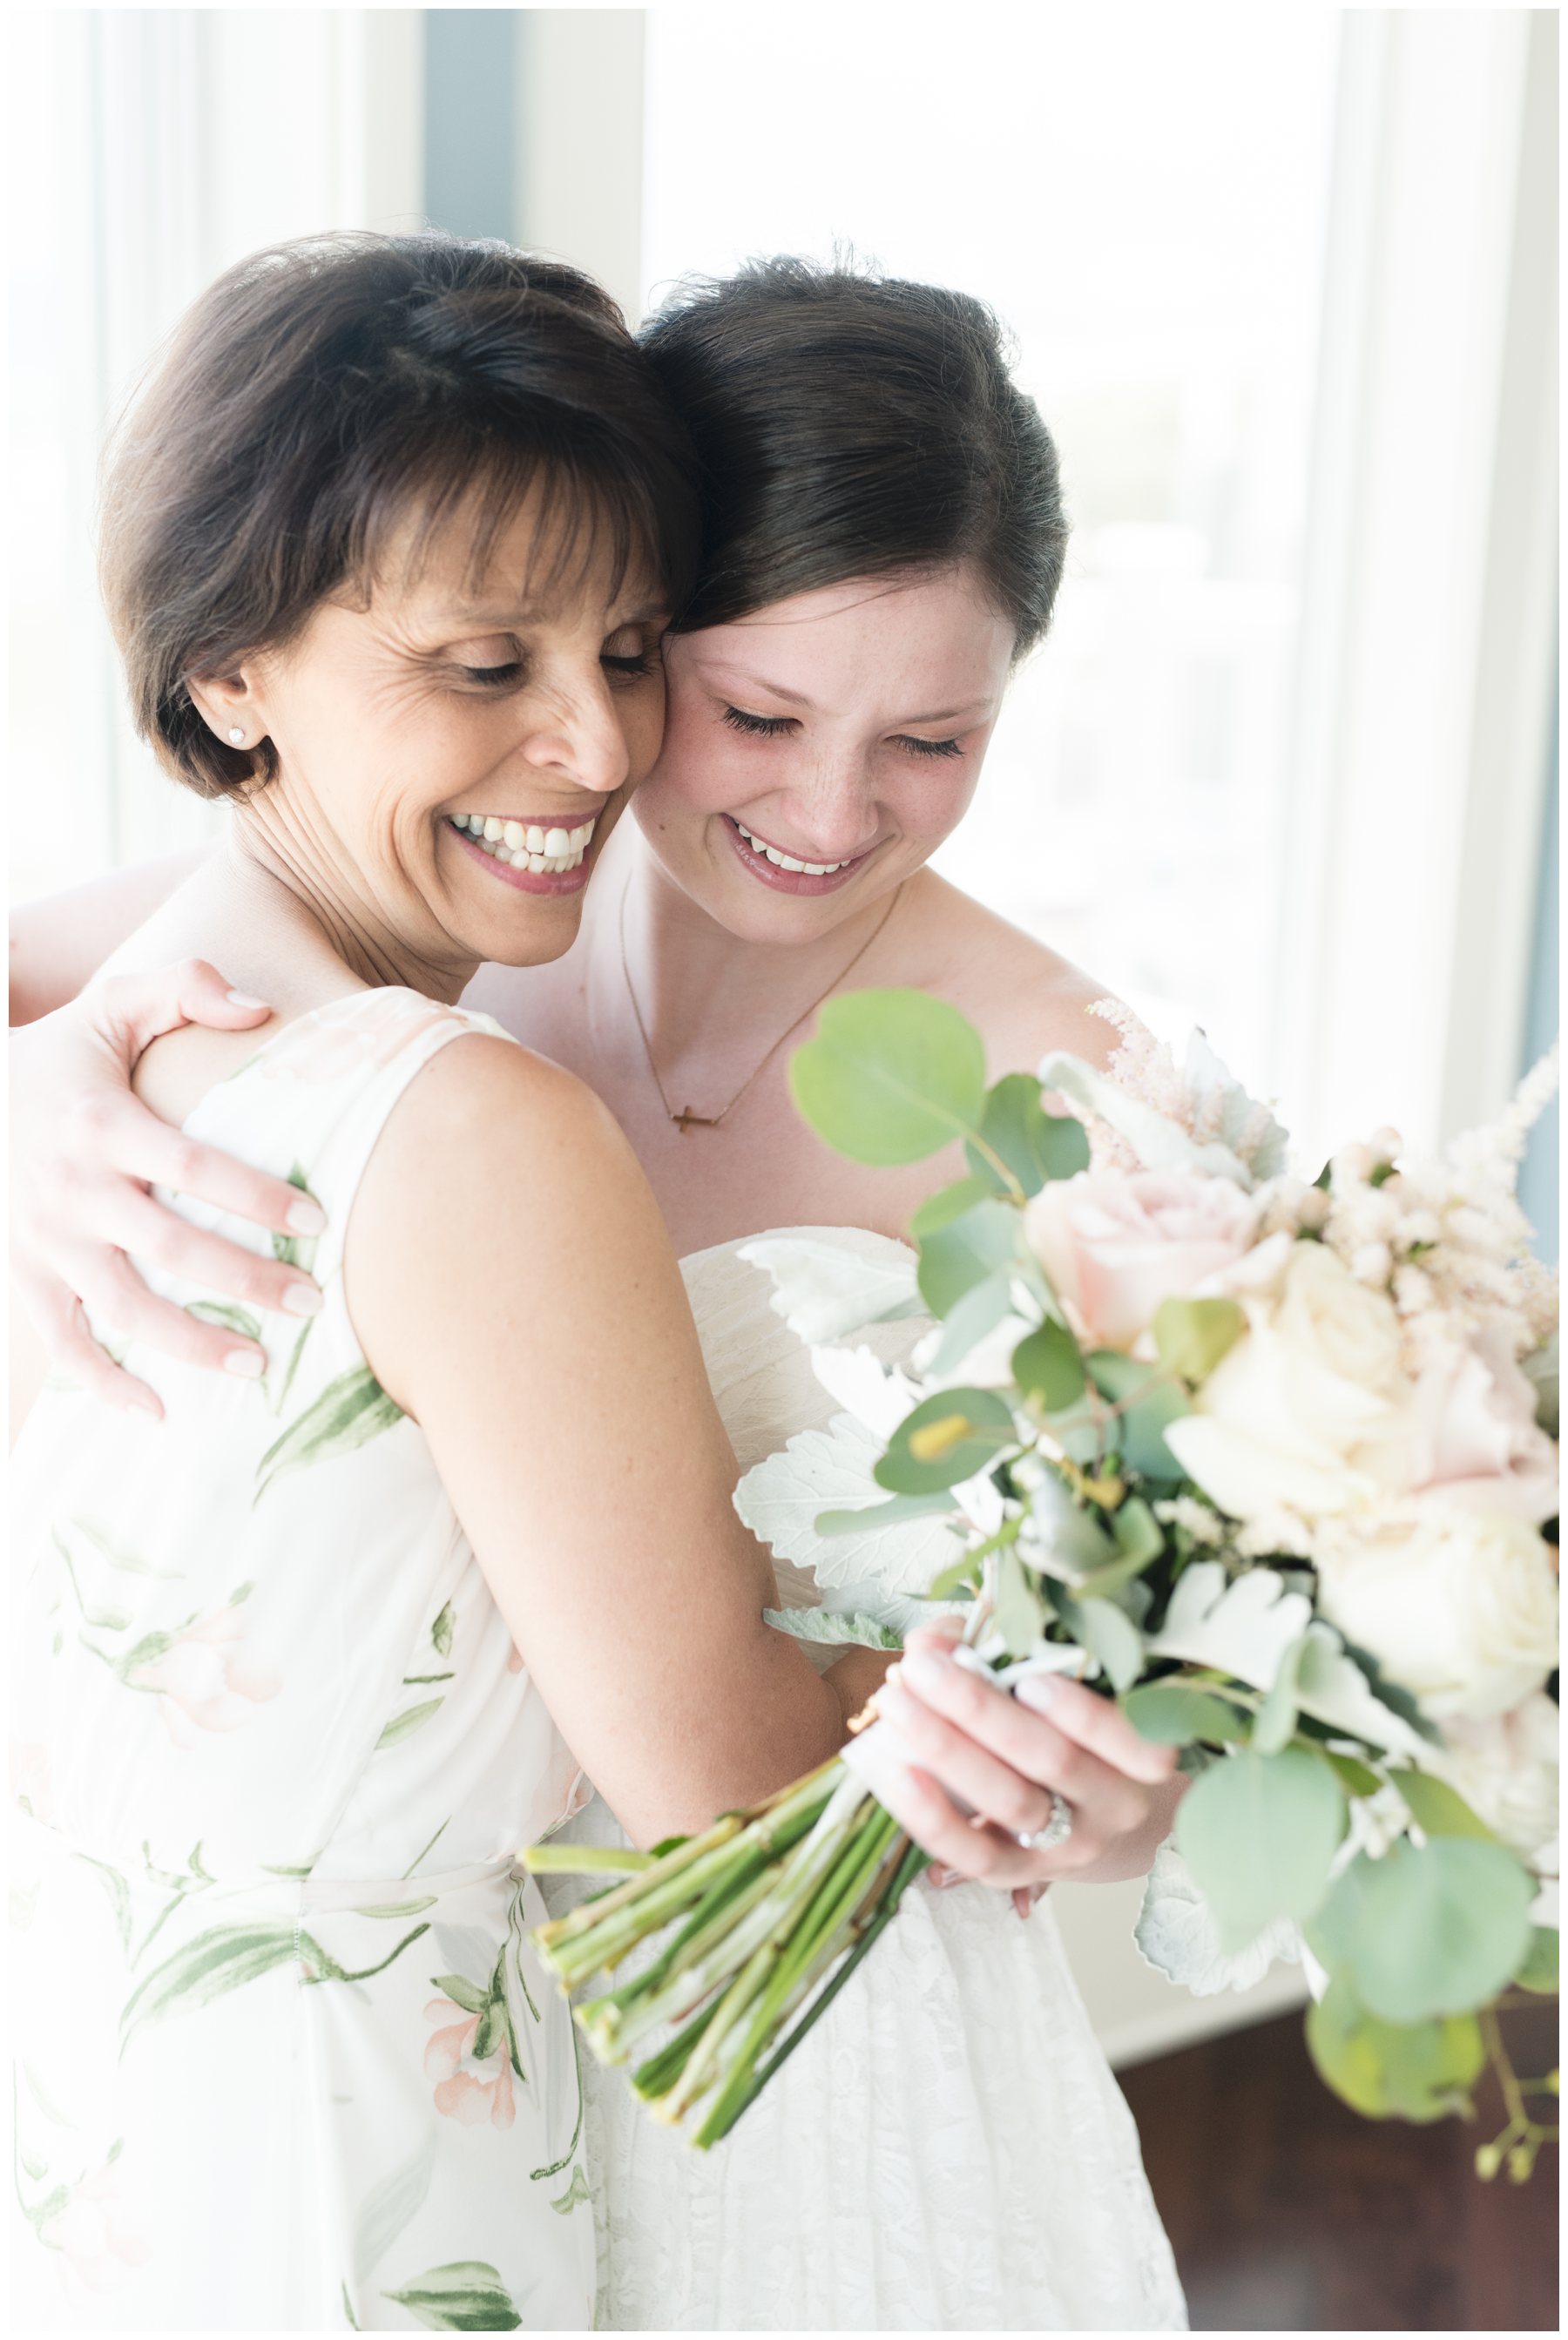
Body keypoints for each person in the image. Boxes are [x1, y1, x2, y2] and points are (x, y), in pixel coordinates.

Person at [11, 255, 1187, 2329]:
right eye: (747, 708)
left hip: (795, 2051)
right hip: (377, 2060)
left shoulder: (1084, 1108)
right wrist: (30, 1086)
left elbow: (1171, 1632)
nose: (828, 811)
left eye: (933, 736)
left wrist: (1119, 1785)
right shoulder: (464, 910)